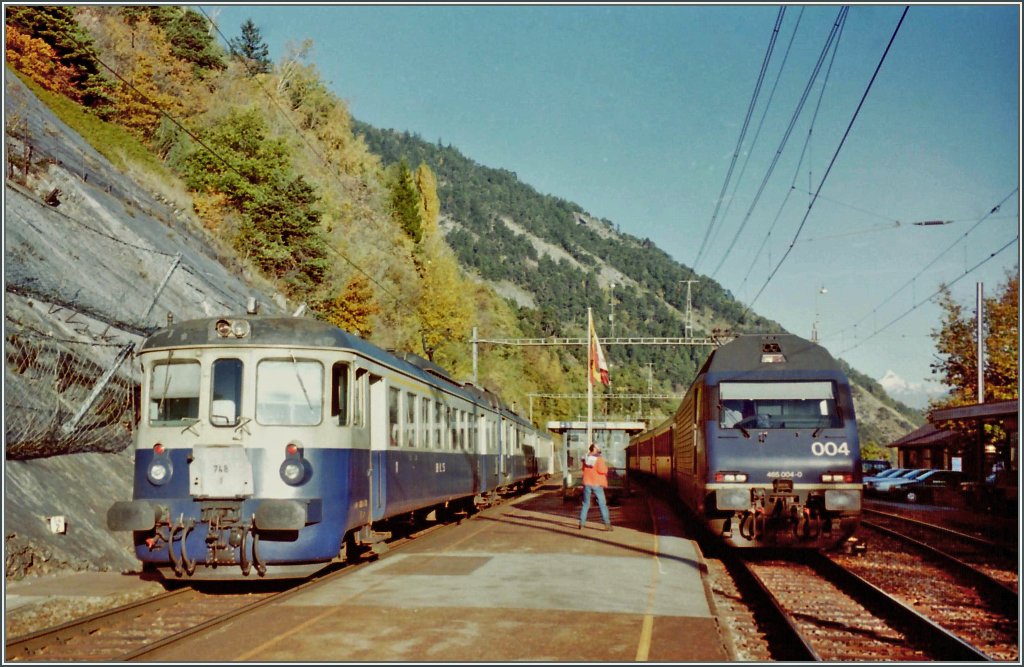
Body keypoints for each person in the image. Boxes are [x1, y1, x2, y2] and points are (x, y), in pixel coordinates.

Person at [579, 443, 612, 531]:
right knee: (602, 504)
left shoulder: (585, 458)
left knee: (585, 504)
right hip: (597, 483)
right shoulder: (599, 458)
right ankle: (607, 524)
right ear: (594, 448)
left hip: (587, 482)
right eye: (597, 448)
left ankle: (581, 524)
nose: (598, 449)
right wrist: (606, 468)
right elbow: (602, 470)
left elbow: (583, 469)